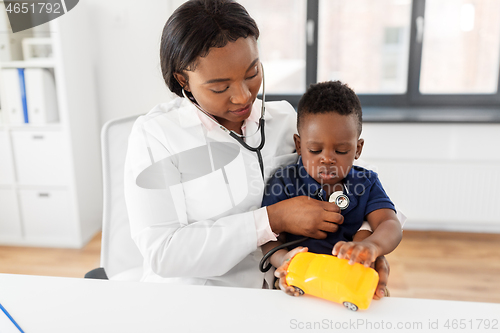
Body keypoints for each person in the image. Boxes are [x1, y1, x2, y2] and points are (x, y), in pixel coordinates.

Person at [124, 0, 391, 296]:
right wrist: (272, 218)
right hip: (198, 296)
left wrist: (367, 245)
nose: (242, 97)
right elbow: (163, 253)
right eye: (220, 87)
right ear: (183, 79)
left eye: (252, 73)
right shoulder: (156, 136)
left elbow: (347, 186)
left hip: (289, 288)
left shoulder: (286, 119)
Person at [261, 81, 402, 297]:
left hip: (348, 284)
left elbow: (390, 224)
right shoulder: (284, 181)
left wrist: (372, 247)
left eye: (341, 150)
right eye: (315, 150)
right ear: (299, 145)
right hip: (300, 283)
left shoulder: (366, 182)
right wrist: (283, 260)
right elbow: (269, 238)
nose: (327, 159)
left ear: (358, 149)